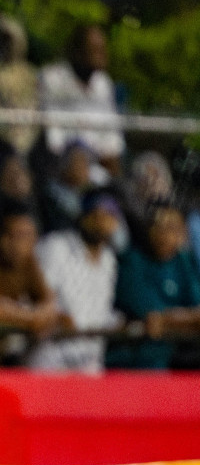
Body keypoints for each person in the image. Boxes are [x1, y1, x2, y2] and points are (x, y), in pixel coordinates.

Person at [28, 189, 123, 375]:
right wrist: (57, 316)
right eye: (95, 214)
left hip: (89, 362)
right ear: (82, 216)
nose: (101, 221)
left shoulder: (109, 260)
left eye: (108, 216)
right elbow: (32, 298)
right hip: (51, 358)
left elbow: (99, 313)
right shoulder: (56, 246)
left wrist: (121, 323)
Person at [110, 202, 200, 369]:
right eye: (158, 227)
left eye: (172, 228)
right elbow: (152, 316)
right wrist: (190, 320)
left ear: (182, 233)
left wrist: (168, 320)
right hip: (136, 360)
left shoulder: (183, 261)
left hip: (178, 356)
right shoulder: (132, 261)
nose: (165, 235)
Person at [0, 201, 66, 364]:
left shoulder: (29, 262)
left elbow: (49, 303)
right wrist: (32, 318)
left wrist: (31, 316)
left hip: (13, 354)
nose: (17, 244)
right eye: (11, 235)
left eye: (25, 236)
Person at [39, 24, 124, 176]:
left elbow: (112, 138)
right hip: (63, 165)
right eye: (95, 50)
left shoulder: (103, 83)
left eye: (103, 48)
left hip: (99, 163)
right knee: (77, 160)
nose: (103, 54)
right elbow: (54, 139)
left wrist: (107, 154)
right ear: (78, 52)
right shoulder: (53, 78)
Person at [0, 15, 40, 157]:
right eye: (2, 41)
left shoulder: (29, 74)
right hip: (1, 142)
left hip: (27, 141)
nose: (5, 46)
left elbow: (35, 110)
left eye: (8, 41)